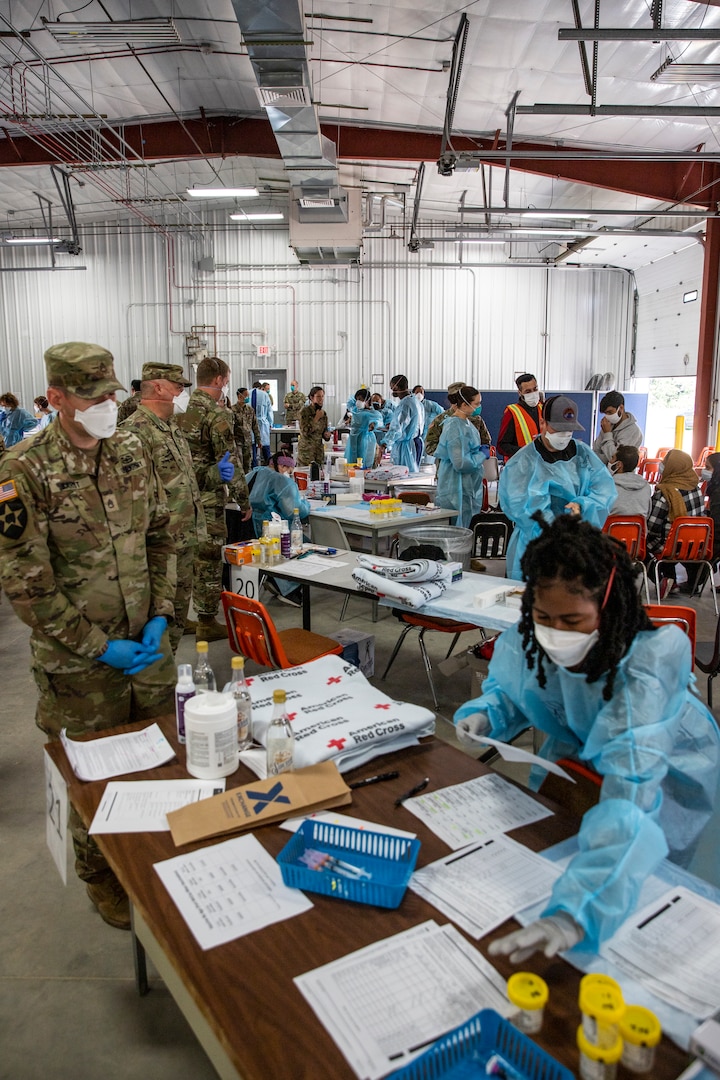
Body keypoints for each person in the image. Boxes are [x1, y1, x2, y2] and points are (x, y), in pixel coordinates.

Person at [455, 513, 720, 960]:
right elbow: (521, 686)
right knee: (567, 834)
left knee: (659, 884)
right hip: (586, 752)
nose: (555, 633)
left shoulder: (642, 675)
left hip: (668, 768)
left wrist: (575, 912)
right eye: (543, 617)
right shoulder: (533, 637)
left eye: (572, 620)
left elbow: (630, 802)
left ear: (607, 607)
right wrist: (488, 714)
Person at [0, 341, 177, 930]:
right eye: (92, 396)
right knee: (94, 777)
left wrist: (161, 614)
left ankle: (154, 859)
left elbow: (161, 536)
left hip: (147, 647)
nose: (107, 406)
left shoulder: (129, 448)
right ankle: (100, 874)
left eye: (112, 394)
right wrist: (101, 647)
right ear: (56, 398)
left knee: (160, 761)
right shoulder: (22, 471)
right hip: (79, 666)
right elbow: (28, 588)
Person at [124, 362, 208, 653]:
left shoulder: (170, 427)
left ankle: (166, 680)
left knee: (176, 620)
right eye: (178, 387)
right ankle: (156, 686)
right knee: (157, 622)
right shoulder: (134, 432)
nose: (182, 393)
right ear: (158, 387)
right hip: (158, 548)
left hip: (183, 539)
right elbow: (130, 502)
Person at [500, 395, 616, 580]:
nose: (564, 436)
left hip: (577, 541)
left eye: (569, 430)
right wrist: (554, 530)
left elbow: (604, 489)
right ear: (542, 423)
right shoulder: (523, 461)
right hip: (537, 541)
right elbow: (521, 504)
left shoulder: (582, 453)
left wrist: (583, 504)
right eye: (559, 429)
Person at [177, 356, 251, 641]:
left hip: (178, 499)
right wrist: (243, 501)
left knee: (182, 557)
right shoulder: (216, 414)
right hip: (206, 499)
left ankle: (179, 618)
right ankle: (206, 622)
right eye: (227, 379)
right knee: (208, 558)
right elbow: (230, 463)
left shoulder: (177, 411)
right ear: (219, 380)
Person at [646, 448, 705, 597]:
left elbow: (652, 526)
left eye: (665, 462)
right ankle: (692, 582)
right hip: (694, 545)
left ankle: (665, 577)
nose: (662, 465)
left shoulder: (664, 494)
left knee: (643, 543)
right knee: (679, 543)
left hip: (669, 547)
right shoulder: (697, 489)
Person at [434, 386, 490, 528]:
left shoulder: (467, 423)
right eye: (477, 404)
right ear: (465, 404)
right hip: (455, 485)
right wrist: (480, 456)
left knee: (466, 522)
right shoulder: (454, 426)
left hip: (467, 484)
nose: (479, 407)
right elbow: (460, 463)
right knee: (456, 527)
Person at [426, 382, 492, 458]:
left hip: (472, 465)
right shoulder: (440, 421)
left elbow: (485, 441)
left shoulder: (476, 419)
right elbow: (429, 447)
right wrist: (453, 454)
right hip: (448, 466)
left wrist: (480, 453)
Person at [380, 374, 424, 472]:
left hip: (407, 446)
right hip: (415, 442)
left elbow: (397, 427)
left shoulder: (405, 404)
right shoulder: (415, 401)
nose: (391, 389)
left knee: (404, 476)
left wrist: (385, 443)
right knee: (412, 474)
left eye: (392, 387)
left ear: (396, 386)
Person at [496, 373, 543, 461]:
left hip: (541, 465)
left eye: (535, 389)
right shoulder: (512, 413)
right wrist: (524, 452)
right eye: (528, 391)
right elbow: (502, 446)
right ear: (520, 393)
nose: (533, 393)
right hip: (520, 466)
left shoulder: (543, 408)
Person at [592, 391, 643, 465]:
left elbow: (615, 459)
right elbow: (595, 451)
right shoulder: (609, 425)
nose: (607, 416)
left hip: (620, 475)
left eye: (610, 412)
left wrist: (607, 434)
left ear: (621, 408)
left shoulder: (633, 431)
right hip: (602, 471)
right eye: (605, 413)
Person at [608, 445, 652, 518]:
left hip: (610, 528)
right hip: (638, 528)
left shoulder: (607, 486)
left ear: (619, 465)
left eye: (612, 458)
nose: (609, 461)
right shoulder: (646, 487)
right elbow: (648, 514)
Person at [297, 386, 331, 469]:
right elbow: (305, 431)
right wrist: (316, 418)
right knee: (306, 475)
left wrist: (326, 435)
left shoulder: (323, 413)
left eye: (322, 396)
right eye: (318, 396)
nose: (321, 399)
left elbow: (324, 431)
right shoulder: (304, 411)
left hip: (318, 451)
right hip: (307, 451)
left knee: (319, 475)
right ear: (312, 398)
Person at [345, 389, 380, 469]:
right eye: (357, 399)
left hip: (366, 438)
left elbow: (377, 421)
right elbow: (350, 403)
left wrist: (373, 424)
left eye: (360, 399)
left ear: (367, 399)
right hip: (353, 438)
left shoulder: (373, 413)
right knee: (352, 460)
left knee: (364, 461)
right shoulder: (356, 410)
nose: (358, 401)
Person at [232, 387, 261, 473]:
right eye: (246, 395)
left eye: (248, 395)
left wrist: (258, 439)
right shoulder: (232, 410)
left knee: (248, 464)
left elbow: (255, 425)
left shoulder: (250, 410)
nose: (248, 397)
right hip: (237, 441)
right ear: (239, 396)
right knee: (239, 464)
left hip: (248, 442)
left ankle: (247, 484)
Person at [251, 381, 273, 465]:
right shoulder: (264, 395)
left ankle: (254, 469)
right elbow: (269, 411)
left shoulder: (247, 393)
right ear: (261, 387)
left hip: (250, 425)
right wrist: (271, 423)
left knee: (253, 450)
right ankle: (269, 467)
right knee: (265, 448)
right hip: (262, 423)